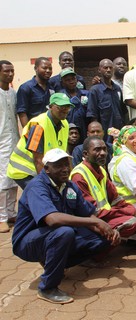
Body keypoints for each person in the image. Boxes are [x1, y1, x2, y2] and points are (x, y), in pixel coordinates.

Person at [12, 148, 119, 304]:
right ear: (46, 169)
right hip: (28, 241)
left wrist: (106, 231)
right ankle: (47, 288)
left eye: (66, 164)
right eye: (59, 165)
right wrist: (96, 222)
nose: (65, 169)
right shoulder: (38, 186)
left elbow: (86, 213)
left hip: (52, 235)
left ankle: (56, 262)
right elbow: (52, 219)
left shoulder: (69, 186)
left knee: (102, 238)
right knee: (64, 232)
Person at [71, 137, 136, 238]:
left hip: (106, 215)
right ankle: (108, 239)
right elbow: (92, 212)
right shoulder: (79, 176)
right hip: (92, 220)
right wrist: (128, 211)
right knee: (132, 222)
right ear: (85, 154)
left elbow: (115, 199)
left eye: (104, 149)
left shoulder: (101, 170)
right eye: (97, 150)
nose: (103, 153)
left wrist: (131, 209)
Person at [7, 93, 71, 189]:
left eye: (67, 107)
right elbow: (38, 160)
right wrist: (48, 186)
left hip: (45, 169)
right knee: (41, 196)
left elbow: (65, 153)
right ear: (50, 107)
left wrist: (70, 179)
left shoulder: (65, 124)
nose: (65, 110)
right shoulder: (38, 125)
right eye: (60, 107)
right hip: (25, 171)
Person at [87, 59, 127, 143]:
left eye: (110, 68)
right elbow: (93, 115)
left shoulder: (117, 89)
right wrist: (97, 134)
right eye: (105, 68)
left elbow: (123, 111)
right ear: (99, 70)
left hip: (119, 134)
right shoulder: (95, 90)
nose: (108, 70)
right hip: (105, 136)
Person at [0, 60, 19, 233]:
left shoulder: (13, 93)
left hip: (13, 140)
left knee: (13, 178)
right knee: (3, 181)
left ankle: (11, 212)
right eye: (6, 71)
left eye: (12, 71)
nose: (10, 74)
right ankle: (2, 218)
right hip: (1, 143)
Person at [16, 57, 53, 127]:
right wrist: (28, 133)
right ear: (36, 68)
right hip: (34, 130)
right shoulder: (26, 88)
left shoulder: (52, 87)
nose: (48, 71)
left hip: (50, 129)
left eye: (50, 68)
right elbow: (22, 113)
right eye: (44, 68)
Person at [59, 68, 89, 142]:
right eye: (68, 80)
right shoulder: (60, 96)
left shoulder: (86, 94)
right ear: (62, 82)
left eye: (73, 79)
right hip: (66, 130)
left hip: (83, 130)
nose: (71, 82)